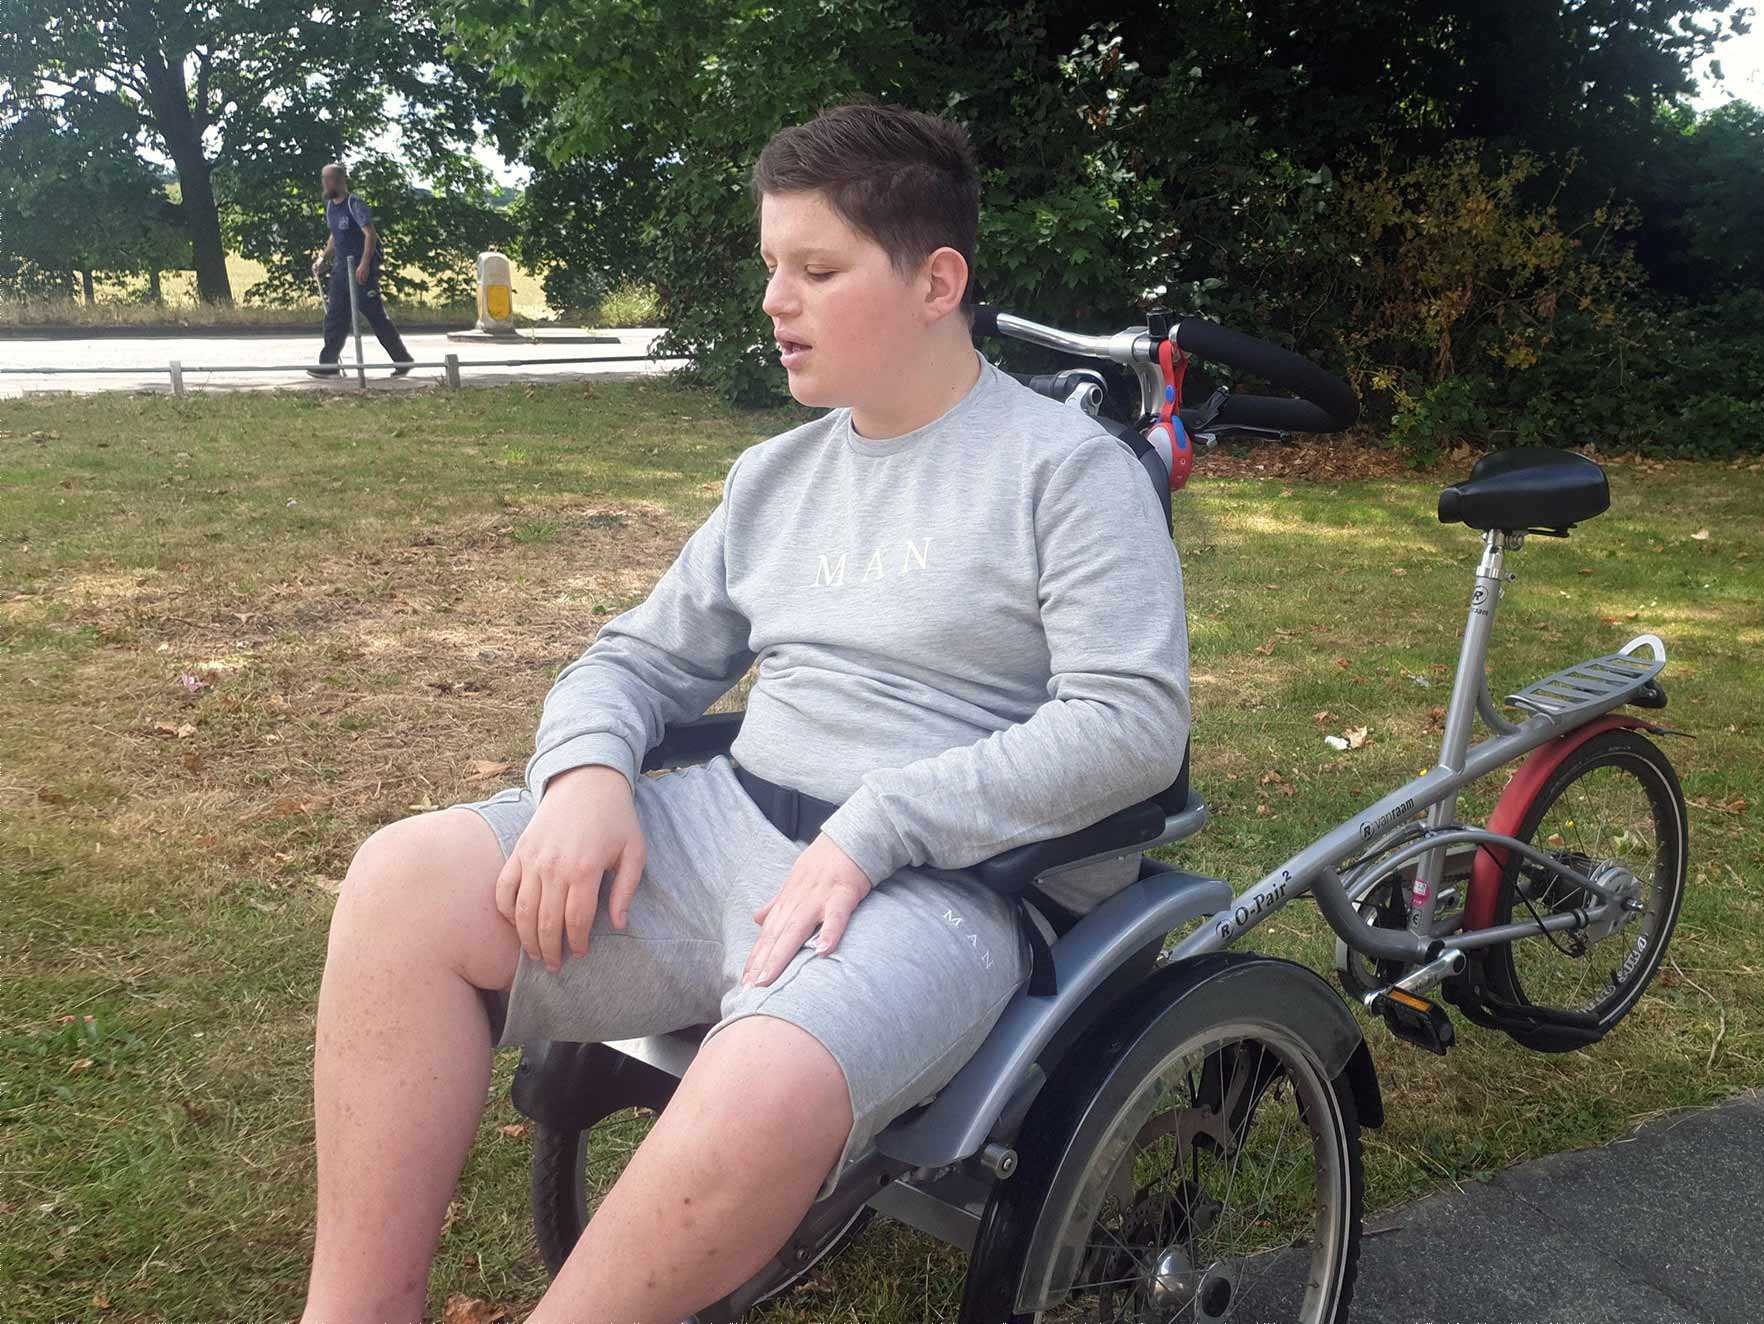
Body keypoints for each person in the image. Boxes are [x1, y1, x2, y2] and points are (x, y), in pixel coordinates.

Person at [298, 104, 1190, 1324]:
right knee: (402, 882)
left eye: (816, 270)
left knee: (762, 1074)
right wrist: (584, 779)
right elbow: (634, 659)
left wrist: (877, 827)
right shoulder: (775, 476)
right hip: (727, 829)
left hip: (949, 883)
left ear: (938, 281)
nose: (777, 300)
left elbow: (1130, 722)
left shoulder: (1068, 473)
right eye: (772, 266)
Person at [309, 162, 414, 378]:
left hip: (359, 273)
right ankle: (328, 366)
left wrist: (365, 264)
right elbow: (333, 237)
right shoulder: (331, 207)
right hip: (339, 272)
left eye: (328, 179)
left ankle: (402, 360)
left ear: (340, 180)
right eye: (323, 179)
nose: (325, 183)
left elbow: (370, 234)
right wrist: (322, 259)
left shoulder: (354, 204)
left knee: (376, 317)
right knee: (335, 318)